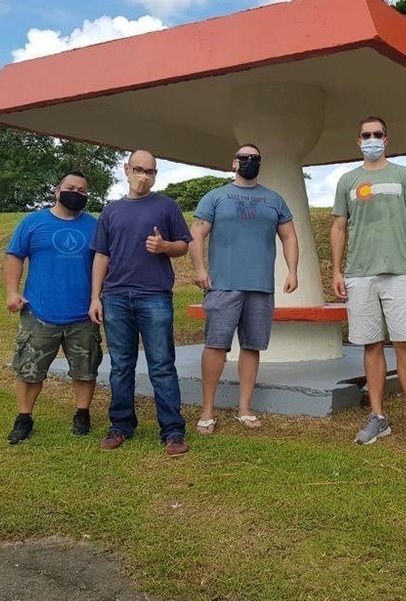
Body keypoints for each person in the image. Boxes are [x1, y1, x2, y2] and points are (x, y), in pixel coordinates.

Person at [330, 117, 406, 452]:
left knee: (405, 344)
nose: (371, 139)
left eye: (377, 134)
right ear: (357, 141)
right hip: (359, 275)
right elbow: (339, 227)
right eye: (366, 135)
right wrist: (336, 270)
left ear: (386, 139)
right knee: (370, 345)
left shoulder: (403, 176)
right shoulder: (348, 180)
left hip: (399, 272)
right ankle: (378, 416)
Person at [190, 144, 299, 434]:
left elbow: (289, 236)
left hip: (260, 286)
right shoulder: (215, 197)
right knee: (215, 346)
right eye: (244, 158)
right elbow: (197, 234)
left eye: (255, 159)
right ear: (234, 163)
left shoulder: (274, 199)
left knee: (252, 346)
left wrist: (293, 271)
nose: (249, 162)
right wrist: (200, 270)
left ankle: (245, 409)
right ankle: (207, 411)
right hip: (222, 285)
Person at [88, 150, 192, 457]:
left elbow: (183, 246)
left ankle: (172, 431)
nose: (144, 176)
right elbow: (101, 255)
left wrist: (164, 246)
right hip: (116, 297)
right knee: (121, 366)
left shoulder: (167, 206)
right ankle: (120, 425)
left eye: (150, 171)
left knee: (161, 365)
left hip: (154, 295)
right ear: (126, 169)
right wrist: (95, 297)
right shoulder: (110, 211)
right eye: (138, 169)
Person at [4, 172, 102, 444]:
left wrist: (100, 297)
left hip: (83, 314)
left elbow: (104, 263)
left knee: (86, 368)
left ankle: (82, 414)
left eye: (82, 190)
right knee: (29, 369)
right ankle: (24, 418)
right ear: (57, 189)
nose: (76, 193)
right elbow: (14, 256)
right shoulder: (33, 223)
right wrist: (12, 292)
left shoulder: (94, 226)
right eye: (71, 188)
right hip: (39, 312)